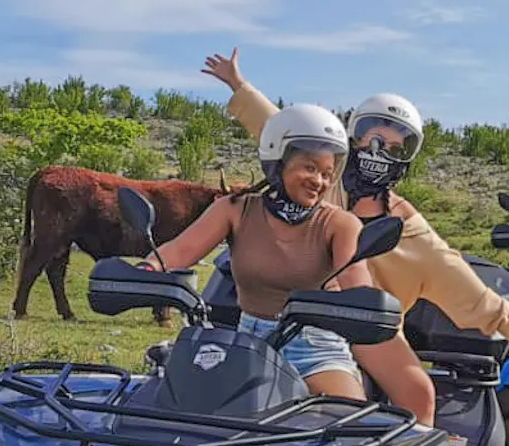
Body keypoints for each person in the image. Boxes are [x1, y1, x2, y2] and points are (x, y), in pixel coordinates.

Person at [205, 50, 509, 346]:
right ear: (354, 138)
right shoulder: (323, 184)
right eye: (374, 140)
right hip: (281, 323)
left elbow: (453, 275)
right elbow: (278, 126)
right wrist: (239, 84)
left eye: (394, 148)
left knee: (411, 396)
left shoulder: (407, 228)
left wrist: (508, 319)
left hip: (362, 341)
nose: (379, 153)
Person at [148, 104, 436, 424]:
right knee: (197, 423)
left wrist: (365, 303)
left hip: (315, 345)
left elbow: (355, 279)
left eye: (328, 174)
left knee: (348, 427)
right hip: (247, 342)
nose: (320, 181)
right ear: (278, 158)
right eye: (309, 168)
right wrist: (143, 271)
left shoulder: (339, 224)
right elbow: (179, 250)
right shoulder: (235, 209)